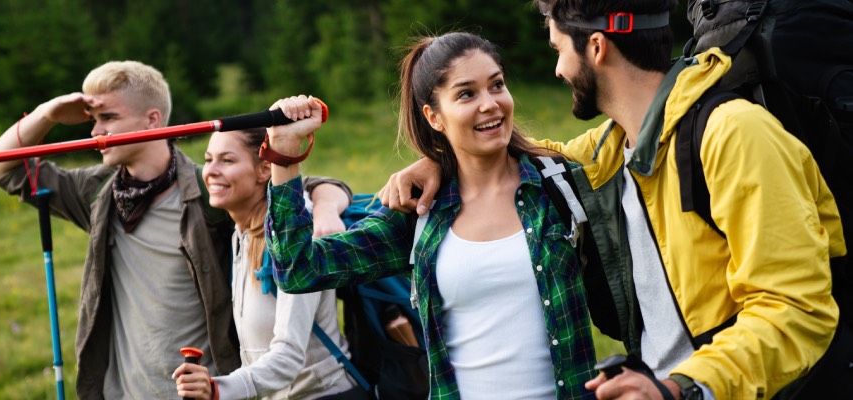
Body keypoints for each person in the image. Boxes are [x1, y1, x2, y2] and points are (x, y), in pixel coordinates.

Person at [378, 1, 846, 399]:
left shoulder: (734, 135)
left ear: (596, 48)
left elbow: (796, 308)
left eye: (560, 50)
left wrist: (681, 387)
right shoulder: (610, 150)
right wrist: (443, 158)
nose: (558, 68)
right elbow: (521, 161)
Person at [0, 61, 351, 399]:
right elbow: (0, 169)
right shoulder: (96, 193)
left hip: (200, 389)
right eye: (93, 119)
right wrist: (48, 114)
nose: (95, 132)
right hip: (119, 392)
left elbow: (287, 188)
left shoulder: (208, 190)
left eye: (107, 117)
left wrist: (326, 205)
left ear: (152, 120)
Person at [262, 32, 599, 399]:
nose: (490, 104)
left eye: (497, 85)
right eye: (466, 94)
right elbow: (299, 269)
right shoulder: (420, 211)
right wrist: (284, 153)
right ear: (434, 116)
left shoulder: (559, 186)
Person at [171, 127, 365, 400]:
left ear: (264, 170)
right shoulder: (241, 234)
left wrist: (217, 389)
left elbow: (288, 356)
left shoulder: (294, 237)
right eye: (208, 158)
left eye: (227, 160)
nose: (211, 170)